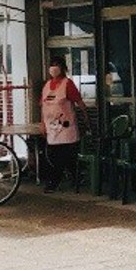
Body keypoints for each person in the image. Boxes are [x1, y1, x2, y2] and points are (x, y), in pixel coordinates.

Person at [40, 55, 89, 192]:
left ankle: (54, 182)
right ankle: (76, 176)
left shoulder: (67, 84)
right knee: (58, 156)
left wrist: (86, 118)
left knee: (63, 156)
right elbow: (43, 106)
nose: (54, 68)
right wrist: (42, 123)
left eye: (57, 65)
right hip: (51, 127)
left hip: (66, 127)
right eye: (52, 64)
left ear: (63, 68)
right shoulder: (47, 86)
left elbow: (79, 102)